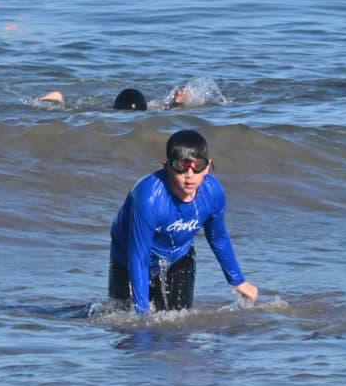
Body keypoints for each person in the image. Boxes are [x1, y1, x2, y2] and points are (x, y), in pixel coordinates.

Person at [108, 129, 259, 313]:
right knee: (126, 324)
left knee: (177, 329)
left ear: (208, 167)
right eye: (181, 166)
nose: (189, 174)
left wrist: (238, 282)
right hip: (129, 260)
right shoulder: (148, 197)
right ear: (166, 166)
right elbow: (138, 256)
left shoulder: (213, 193)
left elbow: (218, 238)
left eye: (197, 166)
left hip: (178, 258)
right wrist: (142, 314)